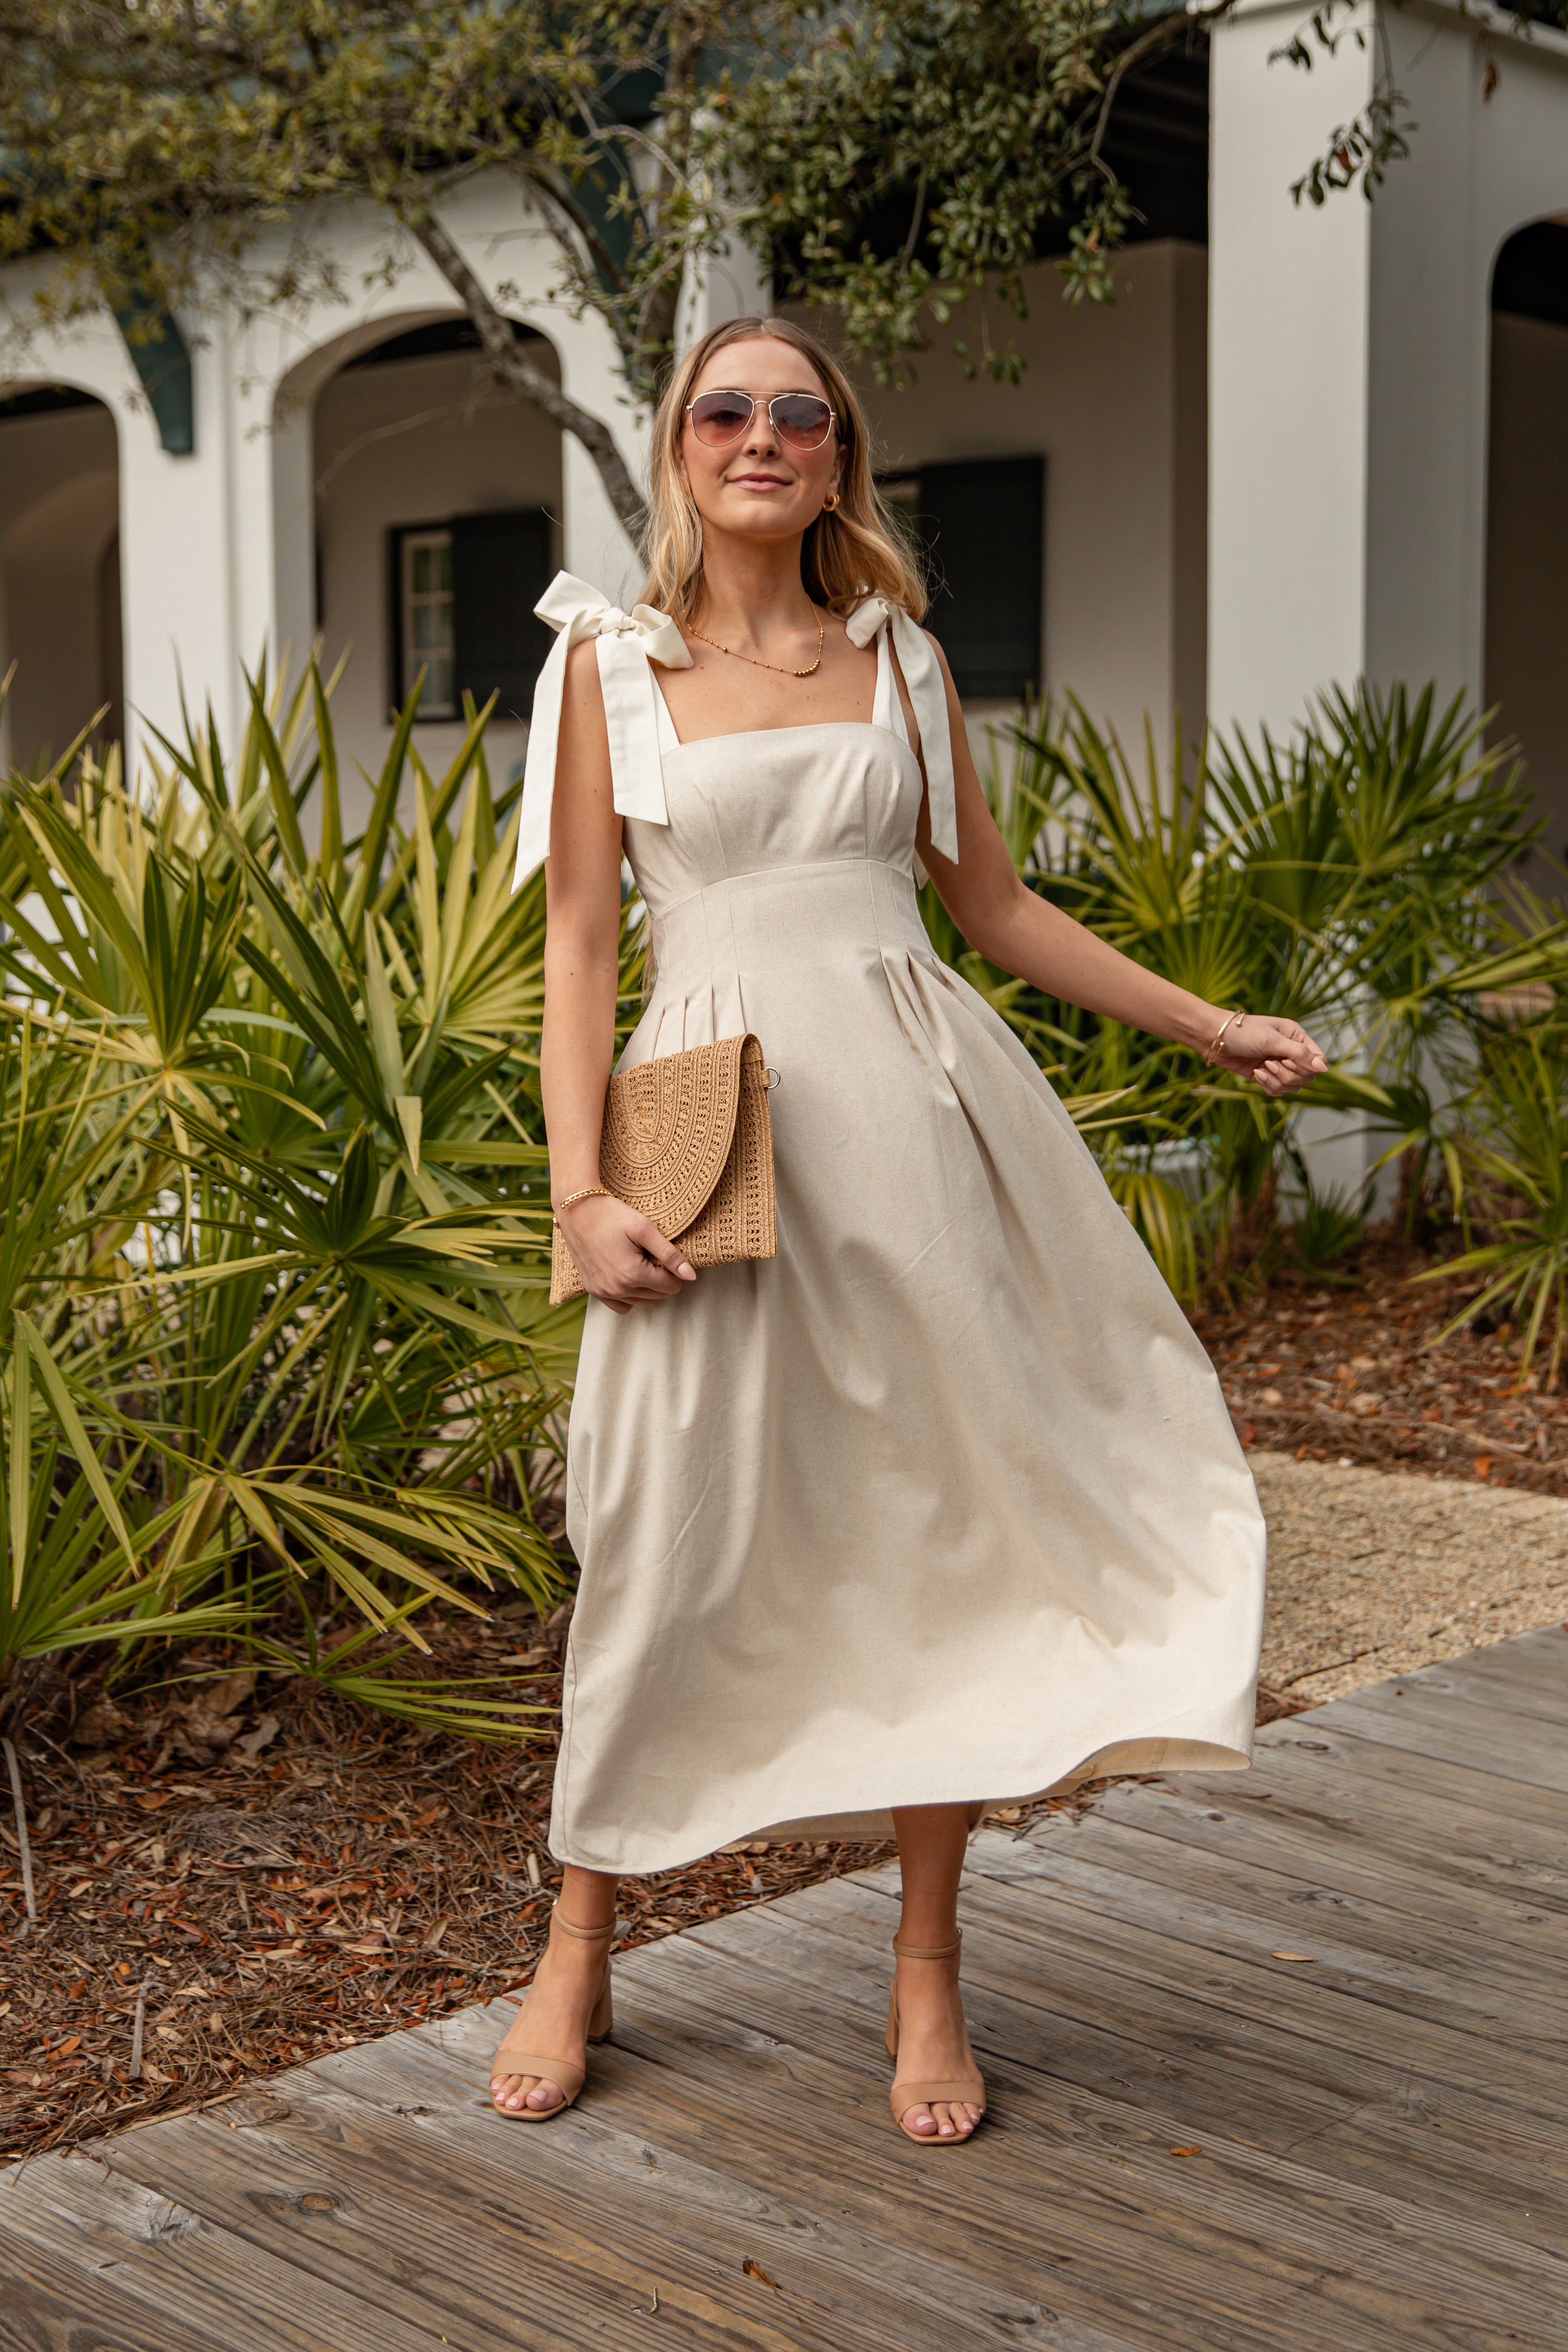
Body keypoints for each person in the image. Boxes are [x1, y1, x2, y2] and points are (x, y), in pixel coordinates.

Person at [490, 314, 1326, 2145]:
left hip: (920, 1122)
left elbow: (998, 911)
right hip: (705, 1124)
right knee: (655, 1524)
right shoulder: (604, 670)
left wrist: (1208, 1022)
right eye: (728, 410)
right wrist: (578, 1183)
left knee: (934, 1527)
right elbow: (569, 952)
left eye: (801, 412)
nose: (763, 434)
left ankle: (926, 1965)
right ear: (680, 450)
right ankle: (579, 1933)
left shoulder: (901, 659)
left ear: (838, 455)